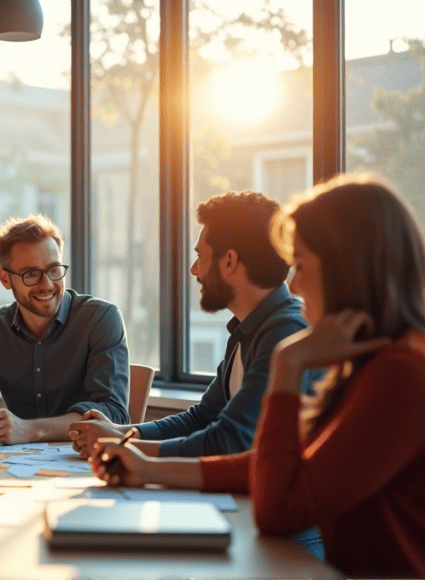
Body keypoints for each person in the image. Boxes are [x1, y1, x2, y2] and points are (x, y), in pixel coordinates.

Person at [89, 174, 425, 578]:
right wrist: (145, 468)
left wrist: (287, 365)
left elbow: (279, 507)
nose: (294, 285)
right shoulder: (369, 362)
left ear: (347, 269)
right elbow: (279, 463)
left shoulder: (400, 374)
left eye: (300, 265)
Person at [69, 192, 307, 458]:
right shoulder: (246, 329)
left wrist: (126, 446)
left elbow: (232, 440)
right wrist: (123, 434)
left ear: (229, 261)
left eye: (200, 255)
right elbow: (202, 418)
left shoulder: (285, 333)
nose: (194, 269)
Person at [0, 214, 129, 444]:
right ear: (4, 278)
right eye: (31, 274)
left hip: (84, 463)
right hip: (16, 466)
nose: (47, 284)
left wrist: (30, 430)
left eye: (54, 269)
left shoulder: (100, 319)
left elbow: (114, 413)